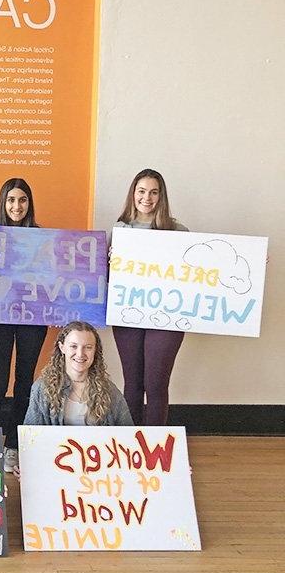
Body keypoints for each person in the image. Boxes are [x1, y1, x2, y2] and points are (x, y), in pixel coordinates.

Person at [111, 168, 188, 426]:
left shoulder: (179, 232)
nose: (147, 198)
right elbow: (106, 277)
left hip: (166, 318)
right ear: (133, 194)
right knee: (132, 383)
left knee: (156, 385)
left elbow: (200, 274)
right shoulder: (119, 230)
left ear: (161, 197)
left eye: (154, 192)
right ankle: (130, 448)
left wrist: (250, 262)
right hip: (127, 314)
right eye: (142, 191)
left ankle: (153, 450)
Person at [0, 179, 48, 473]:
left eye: (22, 200)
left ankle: (12, 448)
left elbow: (52, 279)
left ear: (29, 203)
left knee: (24, 384)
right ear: (2, 203)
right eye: (11, 200)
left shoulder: (43, 238)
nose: (17, 206)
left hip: (32, 321)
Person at [23, 321, 133, 427]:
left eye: (88, 347)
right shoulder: (42, 388)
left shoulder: (109, 391)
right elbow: (30, 436)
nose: (80, 354)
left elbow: (128, 434)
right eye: (73, 346)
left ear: (95, 350)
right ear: (62, 347)